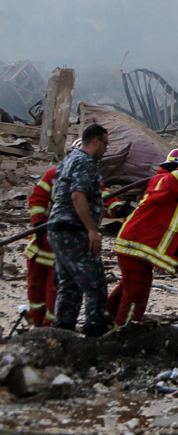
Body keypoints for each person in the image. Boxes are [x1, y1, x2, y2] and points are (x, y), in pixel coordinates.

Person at [24, 139, 129, 327]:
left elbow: (103, 200)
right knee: (35, 290)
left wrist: (119, 209)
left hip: (63, 249)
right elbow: (37, 201)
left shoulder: (89, 177)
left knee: (55, 292)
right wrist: (38, 223)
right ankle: (36, 324)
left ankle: (52, 329)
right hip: (42, 246)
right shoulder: (52, 175)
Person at [107, 148, 178, 328]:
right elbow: (170, 185)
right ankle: (124, 332)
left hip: (141, 248)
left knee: (127, 288)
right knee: (136, 294)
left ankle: (103, 319)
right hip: (134, 245)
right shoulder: (160, 181)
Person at [46, 123, 110, 336]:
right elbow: (77, 194)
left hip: (57, 228)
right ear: (95, 141)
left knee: (69, 285)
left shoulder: (68, 160)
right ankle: (94, 334)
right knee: (95, 285)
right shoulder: (86, 163)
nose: (106, 149)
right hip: (75, 230)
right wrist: (91, 230)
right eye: (105, 144)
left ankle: (62, 332)